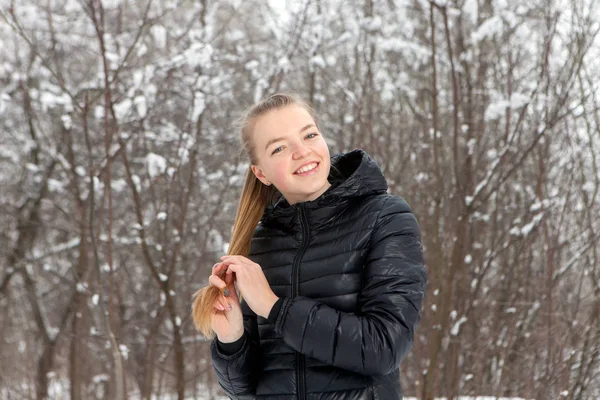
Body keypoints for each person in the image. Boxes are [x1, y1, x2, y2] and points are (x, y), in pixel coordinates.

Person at [192, 93, 428, 399]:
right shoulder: (259, 242)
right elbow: (245, 391)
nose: (302, 152)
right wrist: (231, 339)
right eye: (279, 147)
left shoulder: (385, 217)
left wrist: (275, 308)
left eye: (309, 134)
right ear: (260, 173)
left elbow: (384, 348)